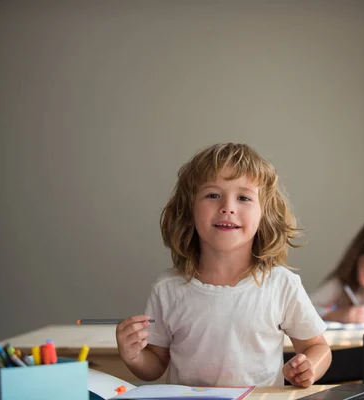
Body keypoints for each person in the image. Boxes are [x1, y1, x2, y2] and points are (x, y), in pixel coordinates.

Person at [116, 143, 331, 388]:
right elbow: (154, 365)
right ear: (189, 209)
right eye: (213, 195)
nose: (227, 207)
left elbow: (317, 346)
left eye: (243, 197)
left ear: (265, 214)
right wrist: (133, 356)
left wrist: (309, 366)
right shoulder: (167, 288)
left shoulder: (281, 284)